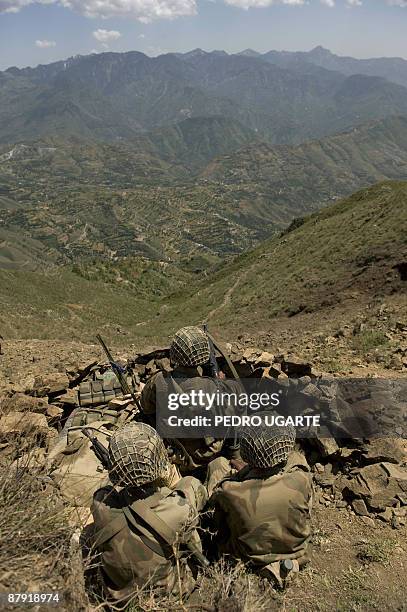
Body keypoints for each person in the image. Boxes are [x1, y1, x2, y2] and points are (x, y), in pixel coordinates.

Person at [90, 422, 208, 607]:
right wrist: (170, 483)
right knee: (190, 486)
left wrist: (120, 473)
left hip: (118, 595)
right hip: (169, 594)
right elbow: (191, 494)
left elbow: (107, 490)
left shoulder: (100, 504)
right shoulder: (179, 509)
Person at [207, 420, 313, 587]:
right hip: (296, 552)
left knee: (217, 464)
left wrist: (240, 475)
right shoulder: (301, 479)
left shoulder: (230, 491)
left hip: (247, 556)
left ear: (246, 454)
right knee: (297, 458)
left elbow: (217, 518)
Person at [140, 326, 243, 473]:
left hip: (176, 456)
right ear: (205, 355)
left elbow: (146, 408)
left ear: (174, 353)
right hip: (210, 455)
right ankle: (235, 455)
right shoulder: (215, 387)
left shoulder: (159, 380)